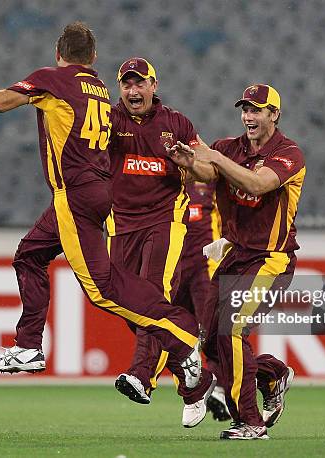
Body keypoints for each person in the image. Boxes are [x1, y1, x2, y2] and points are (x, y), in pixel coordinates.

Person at [0, 22, 207, 393]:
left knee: (102, 288)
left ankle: (181, 334)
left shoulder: (54, 80)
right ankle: (29, 345)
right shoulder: (99, 88)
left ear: (58, 54)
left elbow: (2, 100)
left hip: (74, 194)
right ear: (93, 58)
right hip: (93, 190)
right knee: (29, 254)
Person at [168, 83, 304, 440]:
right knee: (211, 343)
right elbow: (211, 173)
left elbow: (259, 185)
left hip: (271, 260)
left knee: (233, 330)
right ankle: (272, 374)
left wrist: (216, 159)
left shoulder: (289, 154)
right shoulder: (230, 148)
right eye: (245, 109)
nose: (249, 116)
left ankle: (251, 422)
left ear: (274, 114)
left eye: (257, 110)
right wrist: (192, 166)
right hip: (234, 256)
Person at [106, 58, 216, 428]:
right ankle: (193, 375)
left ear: (154, 85)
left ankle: (142, 376)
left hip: (164, 221)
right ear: (119, 88)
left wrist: (189, 161)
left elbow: (207, 169)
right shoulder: (108, 121)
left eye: (140, 84)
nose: (133, 91)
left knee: (152, 295)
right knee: (130, 307)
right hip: (120, 225)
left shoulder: (176, 123)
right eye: (127, 85)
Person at [175, 181, 230, 422]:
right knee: (179, 335)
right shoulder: (169, 185)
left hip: (205, 268)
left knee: (211, 330)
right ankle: (196, 393)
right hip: (174, 270)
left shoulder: (212, 186)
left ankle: (220, 389)